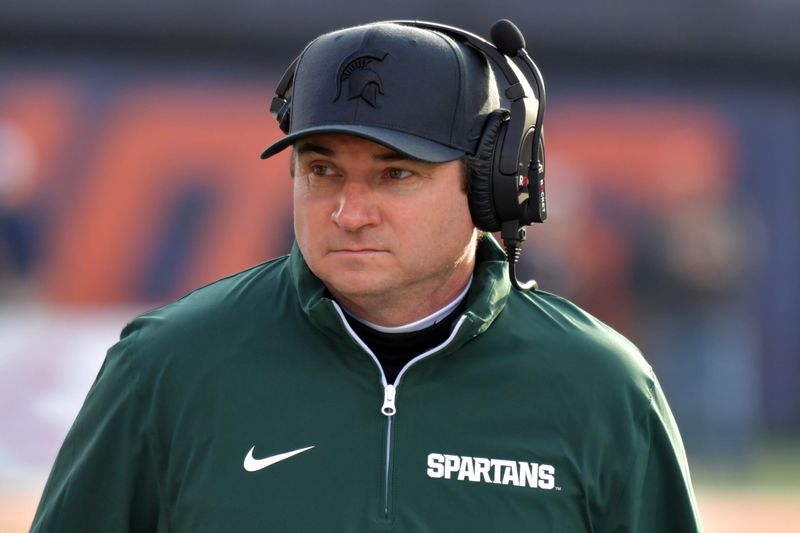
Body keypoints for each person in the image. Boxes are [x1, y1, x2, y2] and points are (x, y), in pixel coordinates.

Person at [31, 20, 703, 532]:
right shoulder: (165, 366)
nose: (349, 212)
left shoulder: (602, 387)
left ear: (492, 186)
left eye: (394, 174)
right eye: (322, 171)